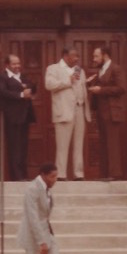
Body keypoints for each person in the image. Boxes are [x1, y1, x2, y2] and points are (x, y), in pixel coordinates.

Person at [44, 48, 90, 181]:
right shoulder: (53, 68)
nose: (77, 59)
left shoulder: (80, 70)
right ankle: (61, 174)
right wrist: (68, 81)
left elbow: (82, 88)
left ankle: (78, 174)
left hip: (79, 109)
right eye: (74, 56)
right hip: (63, 111)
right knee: (62, 146)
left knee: (79, 144)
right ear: (65, 56)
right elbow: (49, 85)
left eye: (78, 56)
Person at [87, 46, 126, 181]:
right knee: (103, 143)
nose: (94, 59)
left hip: (112, 112)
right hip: (101, 112)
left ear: (105, 55)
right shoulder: (101, 71)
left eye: (96, 56)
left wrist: (101, 90)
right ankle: (104, 174)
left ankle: (114, 174)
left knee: (112, 144)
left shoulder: (116, 68)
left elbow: (121, 88)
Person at [0, 54, 36, 181]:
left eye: (18, 63)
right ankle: (16, 176)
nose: (17, 66)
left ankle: (24, 175)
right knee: (14, 147)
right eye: (14, 64)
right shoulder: (2, 77)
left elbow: (32, 86)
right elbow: (2, 92)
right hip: (12, 116)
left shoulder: (22, 76)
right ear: (7, 65)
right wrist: (21, 94)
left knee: (23, 146)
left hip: (24, 116)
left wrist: (29, 89)